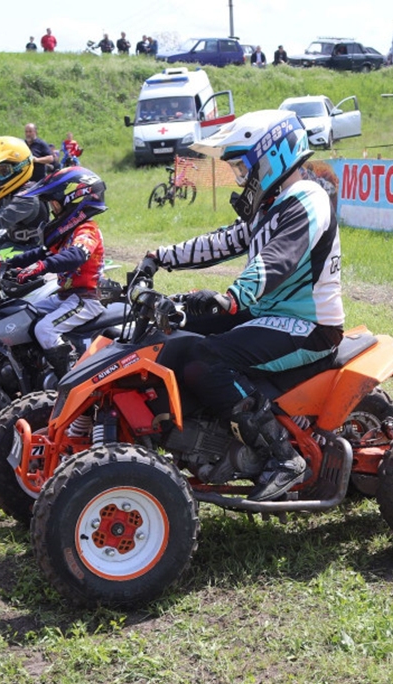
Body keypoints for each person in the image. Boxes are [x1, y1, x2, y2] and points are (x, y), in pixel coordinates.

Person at [137, 110, 343, 502]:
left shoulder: (307, 200)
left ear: (271, 158)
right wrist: (158, 256)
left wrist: (231, 298)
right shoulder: (272, 204)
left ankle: (281, 456)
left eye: (242, 167)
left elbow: (277, 261)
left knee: (206, 358)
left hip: (308, 326)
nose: (239, 178)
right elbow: (220, 242)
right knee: (175, 333)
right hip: (270, 315)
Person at [4, 167, 109, 377]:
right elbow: (38, 253)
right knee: (23, 314)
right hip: (65, 297)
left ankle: (70, 377)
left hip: (86, 299)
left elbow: (77, 255)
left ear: (74, 202)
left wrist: (42, 267)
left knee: (45, 329)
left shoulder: (86, 230)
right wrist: (6, 265)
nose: (53, 211)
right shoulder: (65, 233)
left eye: (55, 205)